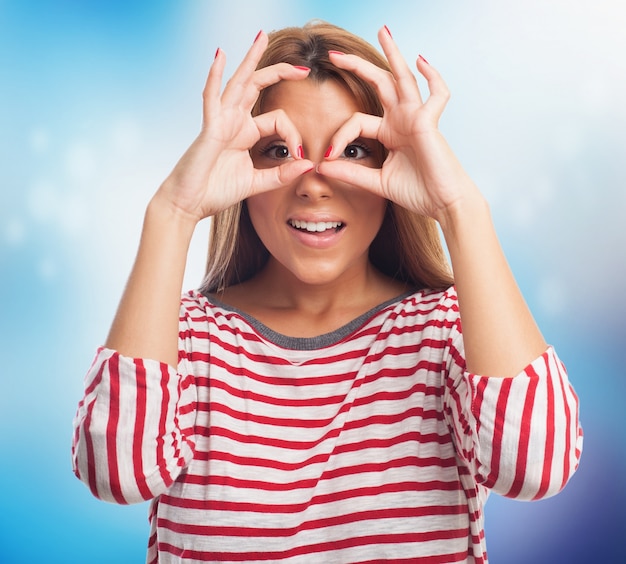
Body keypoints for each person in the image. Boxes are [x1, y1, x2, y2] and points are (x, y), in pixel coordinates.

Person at [72, 21, 582, 563]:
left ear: (392, 164)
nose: (313, 181)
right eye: (277, 150)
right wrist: (172, 212)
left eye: (355, 150)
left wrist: (460, 208)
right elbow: (117, 475)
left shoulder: (448, 332)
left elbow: (537, 468)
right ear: (241, 166)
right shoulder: (181, 342)